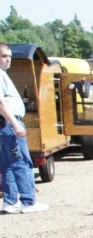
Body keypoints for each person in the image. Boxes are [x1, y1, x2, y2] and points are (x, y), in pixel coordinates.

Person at [0, 43, 46, 213]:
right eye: (4, 56)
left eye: (9, 56)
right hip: (9, 123)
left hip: (5, 124)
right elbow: (1, 103)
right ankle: (28, 201)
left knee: (8, 164)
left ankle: (11, 202)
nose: (8, 60)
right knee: (22, 162)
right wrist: (15, 123)